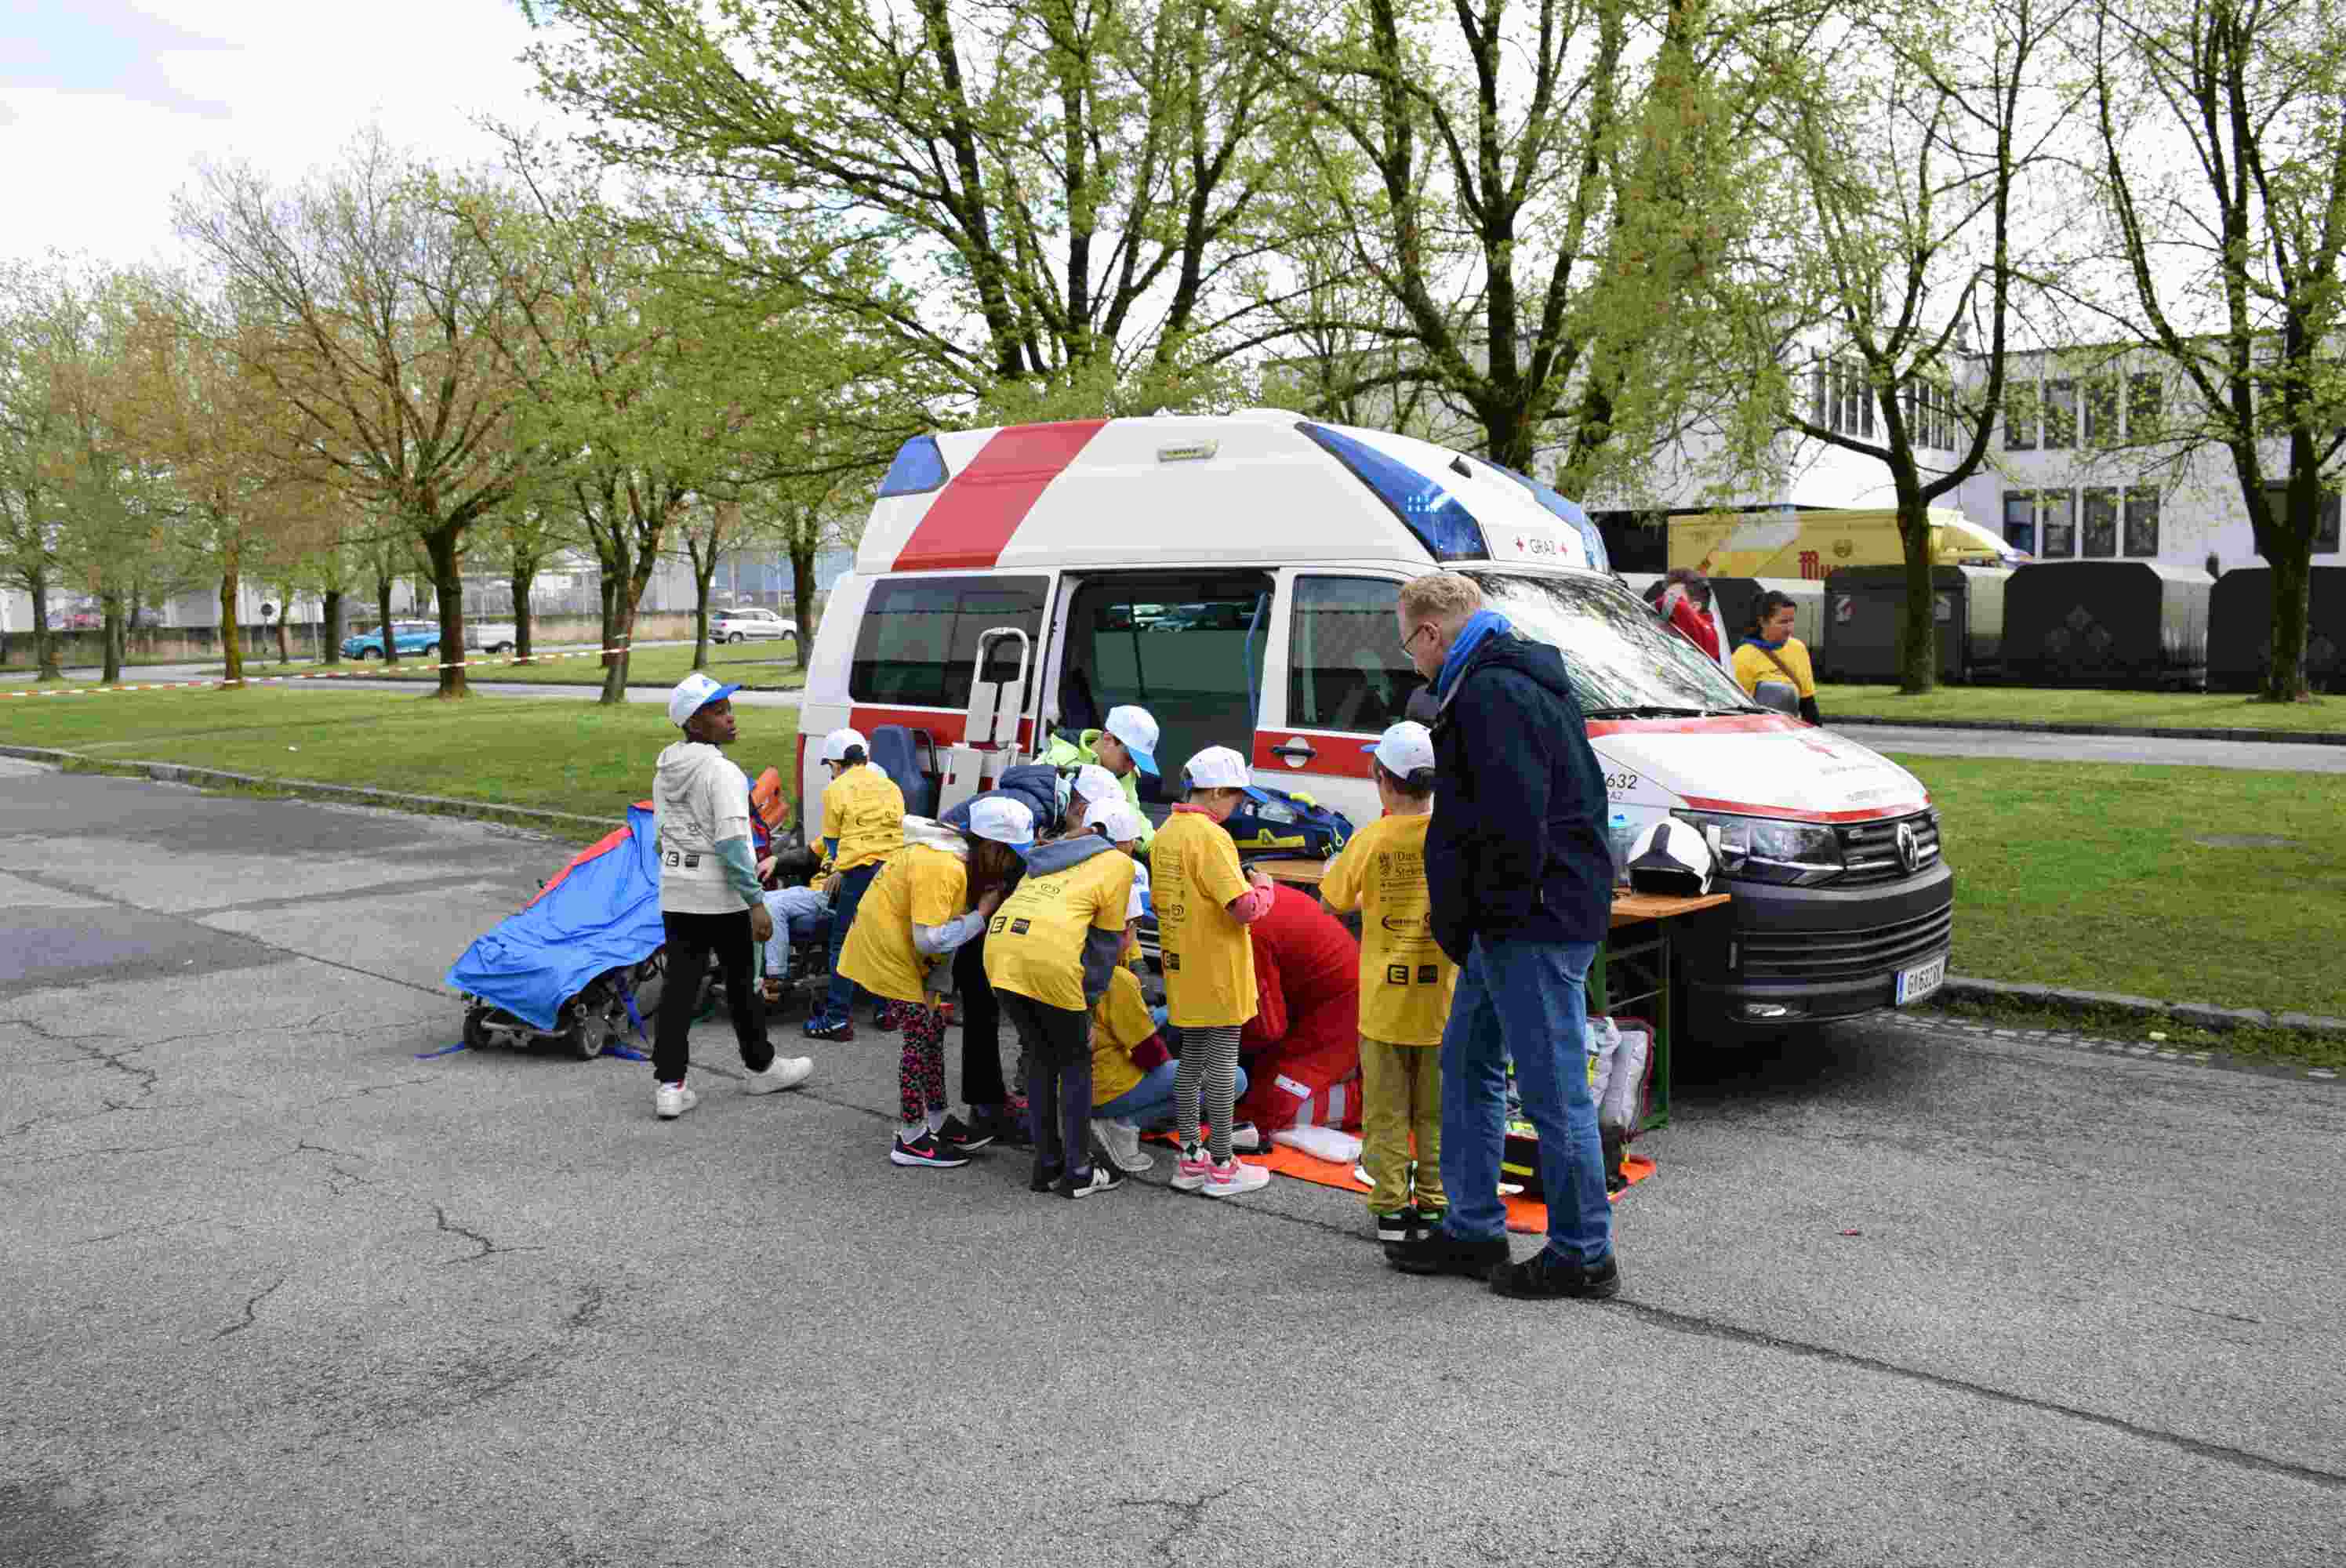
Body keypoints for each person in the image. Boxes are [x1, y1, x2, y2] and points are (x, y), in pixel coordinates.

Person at [1386, 571, 1620, 1301]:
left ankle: (1584, 1253)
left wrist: (1482, 913)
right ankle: (1474, 1225)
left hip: (1529, 919)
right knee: (1470, 1063)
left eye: (1408, 646)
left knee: (1551, 1090)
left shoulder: (1491, 693)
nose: (1411, 661)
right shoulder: (1514, 678)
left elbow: (1511, 822)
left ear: (1430, 632)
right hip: (1519, 915)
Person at [646, 673, 815, 1120]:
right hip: (723, 897)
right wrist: (756, 900)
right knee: (743, 984)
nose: (730, 718)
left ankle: (670, 1085)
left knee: (680, 987)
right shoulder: (722, 772)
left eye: (727, 708)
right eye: (719, 712)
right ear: (695, 724)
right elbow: (733, 842)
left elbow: (662, 836)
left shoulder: (666, 767)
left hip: (676, 890)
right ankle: (760, 1067)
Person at [838, 797, 1032, 1168]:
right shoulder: (942, 866)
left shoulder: (957, 858)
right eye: (1011, 855)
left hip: (907, 952)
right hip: (889, 954)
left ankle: (939, 1121)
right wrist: (982, 913)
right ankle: (910, 1137)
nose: (1014, 865)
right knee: (918, 1039)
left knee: (933, 1032)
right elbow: (929, 938)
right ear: (991, 847)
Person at [1319, 720, 1454, 1243]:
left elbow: (1332, 902)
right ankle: (1437, 1204)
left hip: (1384, 1003)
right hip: (1443, 1000)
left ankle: (1393, 1208)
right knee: (1438, 1112)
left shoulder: (1370, 840)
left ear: (1382, 778)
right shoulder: (1452, 836)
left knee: (1387, 1112)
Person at [984, 793, 1138, 1200]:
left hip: (1000, 952)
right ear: (1124, 841)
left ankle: (1046, 1165)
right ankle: (1079, 1169)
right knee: (1074, 1063)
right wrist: (1087, 1010)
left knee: (1038, 1056)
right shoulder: (1119, 864)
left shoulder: (1051, 853)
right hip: (1049, 959)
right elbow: (1105, 948)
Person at [1150, 746, 1276, 1198]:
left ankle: (1190, 1158)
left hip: (1181, 963)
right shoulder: (1211, 837)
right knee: (1223, 1065)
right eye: (1237, 797)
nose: (1238, 806)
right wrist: (1264, 889)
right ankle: (1223, 1162)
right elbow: (1242, 908)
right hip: (1218, 966)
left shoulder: (1166, 833)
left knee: (1191, 1062)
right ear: (1218, 791)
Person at [936, 760, 1062, 1145]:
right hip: (938, 941)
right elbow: (937, 939)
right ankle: (964, 1115)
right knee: (973, 1010)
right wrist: (982, 913)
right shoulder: (952, 868)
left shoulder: (1001, 818)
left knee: (982, 1008)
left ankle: (985, 1103)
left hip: (970, 917)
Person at [803, 728, 906, 1042]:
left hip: (859, 873)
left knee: (843, 944)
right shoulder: (890, 786)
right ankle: (886, 1010)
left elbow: (832, 843)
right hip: (893, 872)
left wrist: (841, 866)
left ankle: (836, 1018)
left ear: (834, 764)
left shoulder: (836, 789)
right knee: (881, 939)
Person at [1235, 883, 1362, 1138]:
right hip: (1307, 1013)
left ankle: (1374, 1101)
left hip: (1336, 1022)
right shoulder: (1250, 900)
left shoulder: (1250, 928)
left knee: (1263, 1117)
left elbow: (1267, 1028)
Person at [1042, 704, 1160, 848]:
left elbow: (1132, 816)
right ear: (1108, 739)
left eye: (1137, 763)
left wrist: (1155, 849)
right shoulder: (1058, 764)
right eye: (1129, 758)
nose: (1131, 768)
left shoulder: (1124, 772)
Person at [1730, 590, 1821, 724]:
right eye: (1783, 622)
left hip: (1791, 733)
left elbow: (1807, 702)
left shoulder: (1797, 648)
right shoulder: (1743, 656)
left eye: (1791, 621)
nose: (1789, 628)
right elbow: (1735, 709)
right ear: (1763, 622)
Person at [1652, 568, 1723, 664]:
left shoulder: (1708, 635)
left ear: (1694, 607)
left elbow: (1678, 607)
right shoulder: (1676, 630)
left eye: (1674, 596)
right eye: (1666, 595)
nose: (1666, 600)